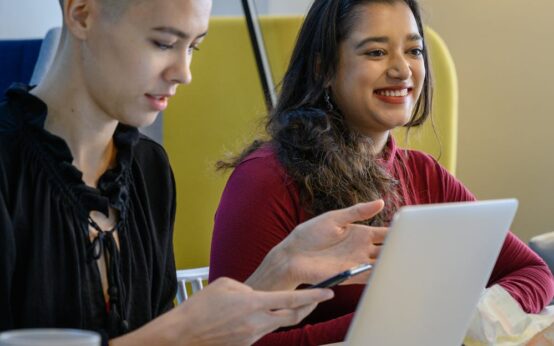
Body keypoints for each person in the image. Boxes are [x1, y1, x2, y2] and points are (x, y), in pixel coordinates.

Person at [0, 0, 392, 345]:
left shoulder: (147, 170)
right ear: (81, 13)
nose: (184, 72)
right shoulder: (8, 169)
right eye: (164, 43)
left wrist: (281, 268)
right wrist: (178, 335)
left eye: (194, 46)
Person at [209, 0, 554, 345]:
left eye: (414, 50)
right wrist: (391, 324)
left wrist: (468, 314)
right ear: (323, 69)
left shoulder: (424, 173)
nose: (402, 69)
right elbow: (226, 340)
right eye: (376, 52)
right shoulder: (265, 179)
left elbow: (532, 271)